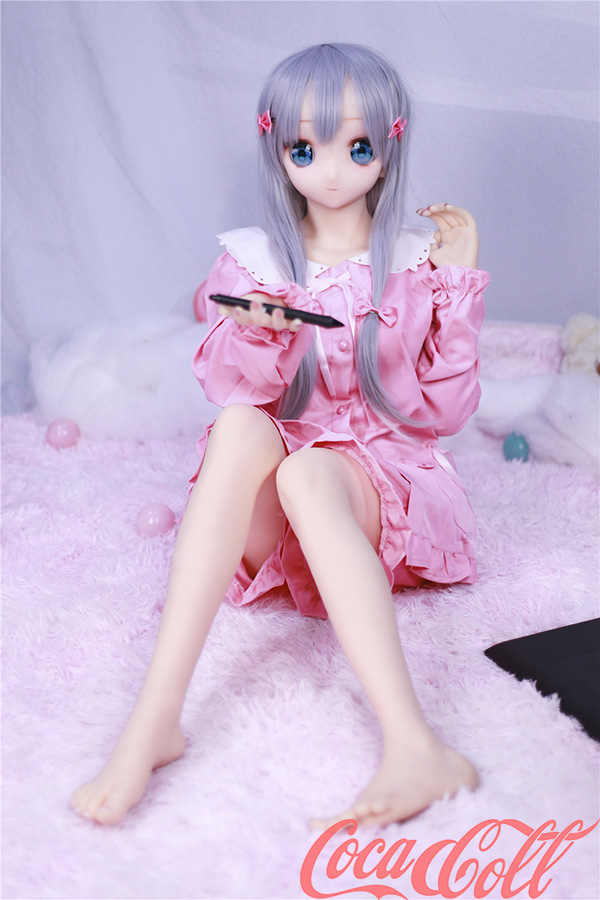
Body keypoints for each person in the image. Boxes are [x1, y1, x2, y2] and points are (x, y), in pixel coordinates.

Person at [70, 42, 489, 829]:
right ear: (279, 149)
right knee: (239, 426)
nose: (330, 171)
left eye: (356, 147)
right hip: (285, 511)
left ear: (388, 145)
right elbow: (234, 389)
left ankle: (415, 744)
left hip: (381, 496)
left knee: (307, 474)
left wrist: (458, 283)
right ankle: (155, 719)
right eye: (305, 148)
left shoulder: (415, 262)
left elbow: (441, 413)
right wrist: (265, 332)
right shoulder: (253, 263)